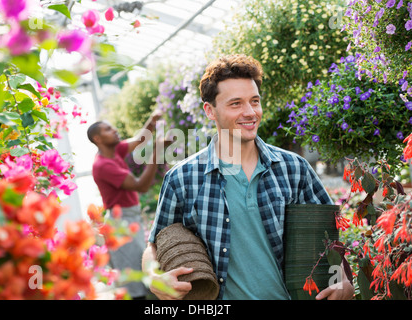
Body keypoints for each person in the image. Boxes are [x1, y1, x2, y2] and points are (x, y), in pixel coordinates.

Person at [141, 54, 354, 300]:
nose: (250, 112)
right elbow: (155, 245)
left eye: (255, 101)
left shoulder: (294, 168)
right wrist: (153, 277)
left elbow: (330, 233)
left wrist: (343, 280)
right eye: (236, 104)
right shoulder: (182, 179)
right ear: (210, 110)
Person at [87, 110, 162, 300]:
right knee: (134, 286)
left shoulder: (115, 151)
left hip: (130, 218)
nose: (114, 130)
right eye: (107, 129)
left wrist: (152, 120)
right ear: (97, 138)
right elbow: (141, 186)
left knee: (141, 273)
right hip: (121, 225)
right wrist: (157, 153)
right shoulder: (103, 165)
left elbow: (139, 140)